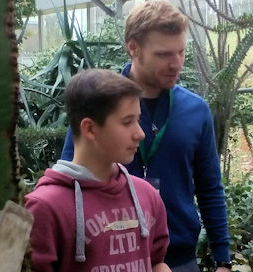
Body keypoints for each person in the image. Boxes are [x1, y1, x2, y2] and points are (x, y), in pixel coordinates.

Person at [59, 2, 231, 271]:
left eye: (181, 52)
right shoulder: (98, 105)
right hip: (112, 259)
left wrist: (223, 259)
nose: (176, 63)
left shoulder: (196, 111)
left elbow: (209, 188)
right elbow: (72, 180)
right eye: (164, 54)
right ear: (133, 47)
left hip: (180, 259)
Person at [26, 69, 171, 271]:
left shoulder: (147, 196)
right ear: (90, 129)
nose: (140, 133)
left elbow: (156, 262)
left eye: (138, 120)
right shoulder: (44, 207)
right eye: (127, 122)